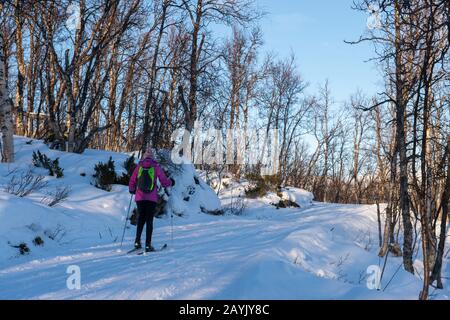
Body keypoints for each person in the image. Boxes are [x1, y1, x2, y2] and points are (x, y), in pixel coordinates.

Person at [129, 148, 173, 252]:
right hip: (151, 198)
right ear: (152, 157)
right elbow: (163, 181)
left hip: (139, 197)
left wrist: (132, 189)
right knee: (149, 220)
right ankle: (148, 245)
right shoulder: (155, 166)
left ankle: (137, 242)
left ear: (144, 156)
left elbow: (132, 179)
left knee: (140, 219)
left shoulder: (139, 166)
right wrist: (171, 182)